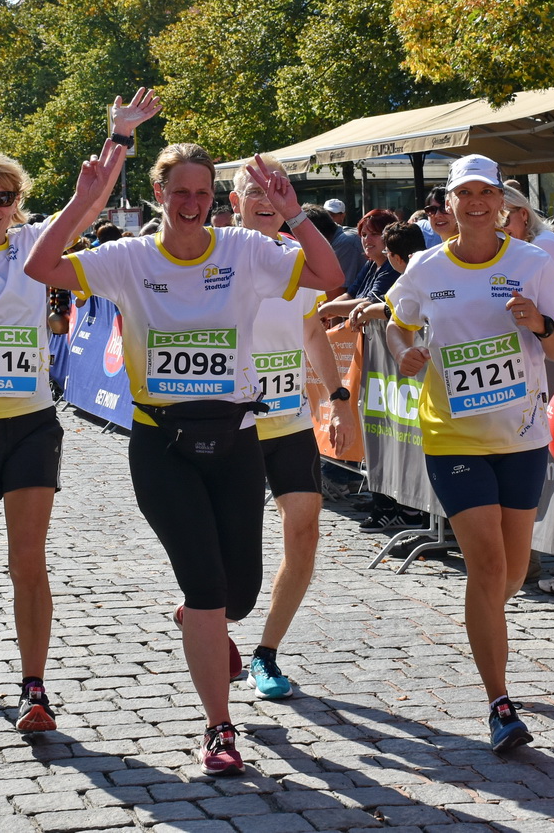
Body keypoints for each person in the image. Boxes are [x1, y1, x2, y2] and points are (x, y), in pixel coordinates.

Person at [24, 136, 343, 778]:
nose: (191, 203)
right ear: (159, 194)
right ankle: (219, 727)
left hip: (236, 438)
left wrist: (294, 211)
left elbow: (329, 278)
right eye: (179, 192)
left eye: (201, 192)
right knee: (206, 586)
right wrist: (84, 203)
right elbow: (41, 267)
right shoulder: (130, 257)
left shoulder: (245, 250)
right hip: (162, 443)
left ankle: (202, 618)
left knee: (239, 596)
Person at [0, 59, 159, 732]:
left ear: (17, 202)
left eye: (2, 196)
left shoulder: (33, 247)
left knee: (27, 561)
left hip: (30, 424)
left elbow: (89, 201)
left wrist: (120, 134)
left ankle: (33, 688)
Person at [384, 154, 554, 752]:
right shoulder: (425, 266)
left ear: (502, 202)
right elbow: (397, 324)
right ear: (448, 203)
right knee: (488, 568)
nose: (475, 204)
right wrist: (403, 352)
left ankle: (484, 620)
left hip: (522, 436)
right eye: (463, 194)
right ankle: (500, 705)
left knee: (512, 573)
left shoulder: (533, 263)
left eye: (485, 194)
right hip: (452, 435)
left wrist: (541, 323)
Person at [232, 164, 353, 700]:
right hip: (231, 428)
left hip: (288, 421)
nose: (265, 199)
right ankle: (207, 613)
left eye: (275, 190)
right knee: (231, 552)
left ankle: (266, 652)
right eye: (254, 191)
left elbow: (311, 331)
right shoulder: (214, 255)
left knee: (304, 532)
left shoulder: (299, 259)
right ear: (235, 202)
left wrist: (339, 399)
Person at [319, 209, 398, 321]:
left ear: (389, 236)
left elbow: (371, 302)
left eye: (374, 234)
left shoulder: (393, 266)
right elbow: (349, 295)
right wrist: (326, 311)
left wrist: (326, 309)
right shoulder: (371, 263)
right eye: (364, 235)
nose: (367, 240)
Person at [323, 198, 367, 292]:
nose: (329, 218)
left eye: (333, 214)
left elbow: (339, 288)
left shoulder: (347, 241)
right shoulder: (343, 237)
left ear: (342, 216)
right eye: (326, 214)